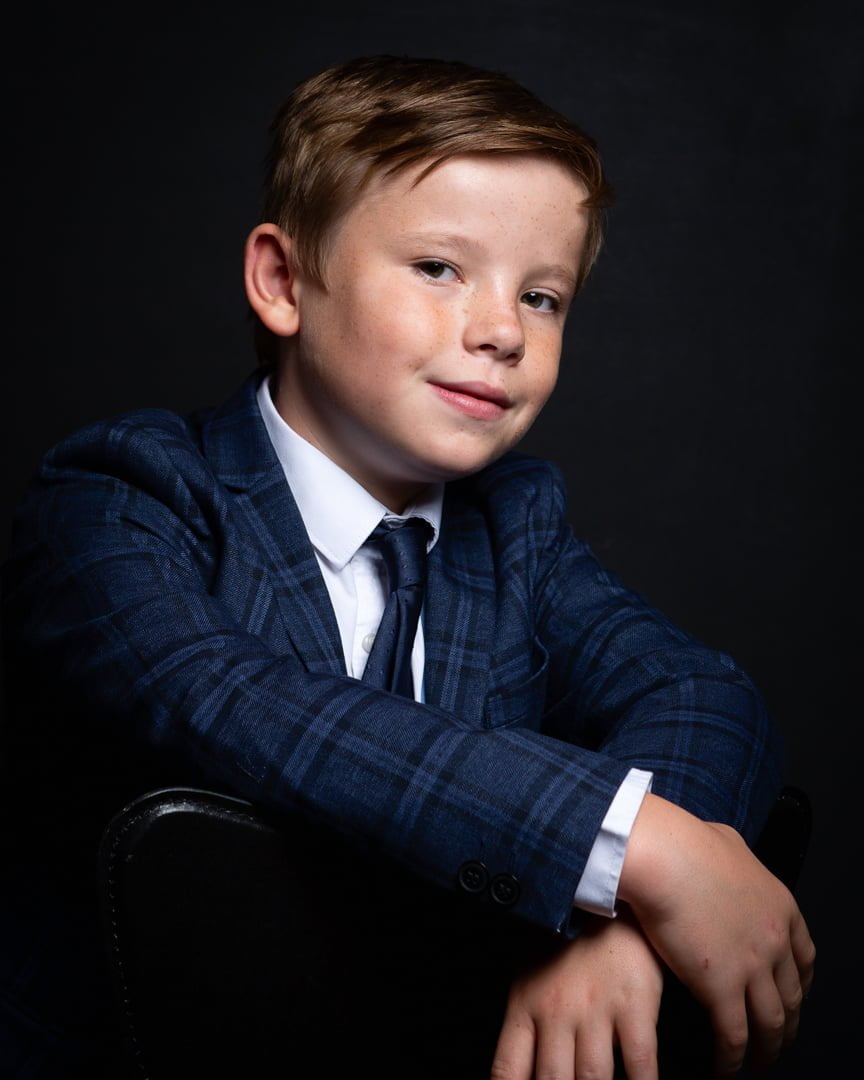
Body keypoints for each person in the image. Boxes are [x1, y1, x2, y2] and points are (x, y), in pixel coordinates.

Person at [0, 55, 813, 1079]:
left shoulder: (514, 528)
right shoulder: (122, 498)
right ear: (283, 281)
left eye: (544, 295)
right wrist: (632, 846)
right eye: (439, 268)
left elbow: (701, 691)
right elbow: (232, 700)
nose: (501, 331)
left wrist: (622, 921)